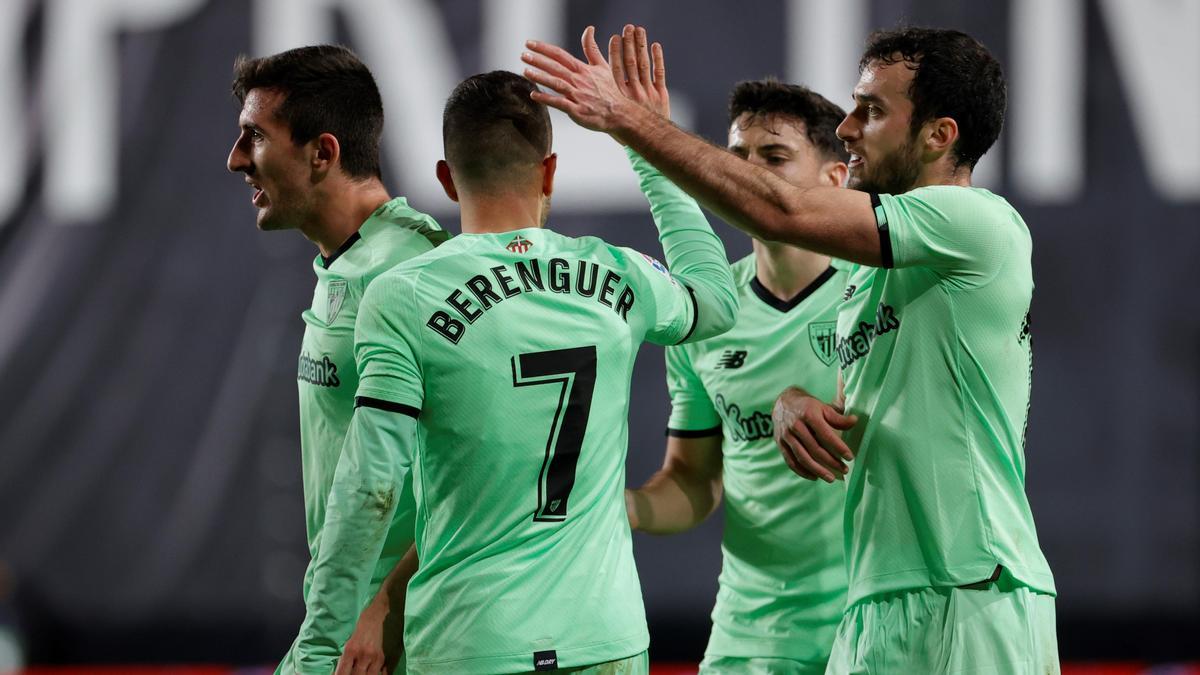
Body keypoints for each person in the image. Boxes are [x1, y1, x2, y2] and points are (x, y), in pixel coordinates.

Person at [524, 25, 1058, 673]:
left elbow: (784, 213)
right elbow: (872, 421)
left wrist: (633, 124)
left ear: (939, 135)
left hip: (965, 589)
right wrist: (796, 405)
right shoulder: (867, 281)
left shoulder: (978, 223)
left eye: (873, 110)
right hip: (875, 602)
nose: (852, 127)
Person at [290, 69, 738, 673]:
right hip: (605, 638)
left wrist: (321, 646)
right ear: (550, 172)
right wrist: (649, 146)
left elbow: (369, 486)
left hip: (469, 642)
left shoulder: (403, 297)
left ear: (445, 179)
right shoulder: (620, 276)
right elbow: (715, 301)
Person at [226, 44, 447, 674]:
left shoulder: (409, 275)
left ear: (323, 153)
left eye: (254, 138)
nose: (236, 160)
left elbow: (479, 473)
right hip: (351, 626)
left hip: (403, 639)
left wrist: (383, 610)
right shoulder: (351, 262)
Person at [625, 78, 850, 674]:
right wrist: (620, 508)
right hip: (749, 638)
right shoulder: (706, 310)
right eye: (737, 158)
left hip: (871, 628)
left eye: (774, 157)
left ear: (836, 178)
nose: (747, 173)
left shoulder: (876, 291)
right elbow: (694, 481)